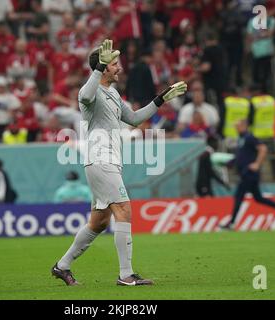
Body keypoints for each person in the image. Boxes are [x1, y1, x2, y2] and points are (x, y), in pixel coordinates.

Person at [51, 39, 187, 286]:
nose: (119, 68)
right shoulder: (90, 93)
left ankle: (62, 266)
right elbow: (85, 95)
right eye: (114, 64)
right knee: (124, 209)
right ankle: (126, 275)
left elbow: (134, 118)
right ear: (103, 68)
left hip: (110, 161)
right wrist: (96, 69)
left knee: (99, 221)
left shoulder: (113, 93)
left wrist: (161, 99)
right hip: (100, 160)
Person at [220, 119, 275, 230]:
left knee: (239, 196)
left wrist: (257, 164)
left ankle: (232, 223)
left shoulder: (249, 137)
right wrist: (230, 163)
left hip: (249, 173)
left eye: (238, 125)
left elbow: (263, 148)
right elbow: (241, 155)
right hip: (247, 173)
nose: (236, 128)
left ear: (244, 126)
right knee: (258, 198)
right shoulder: (242, 139)